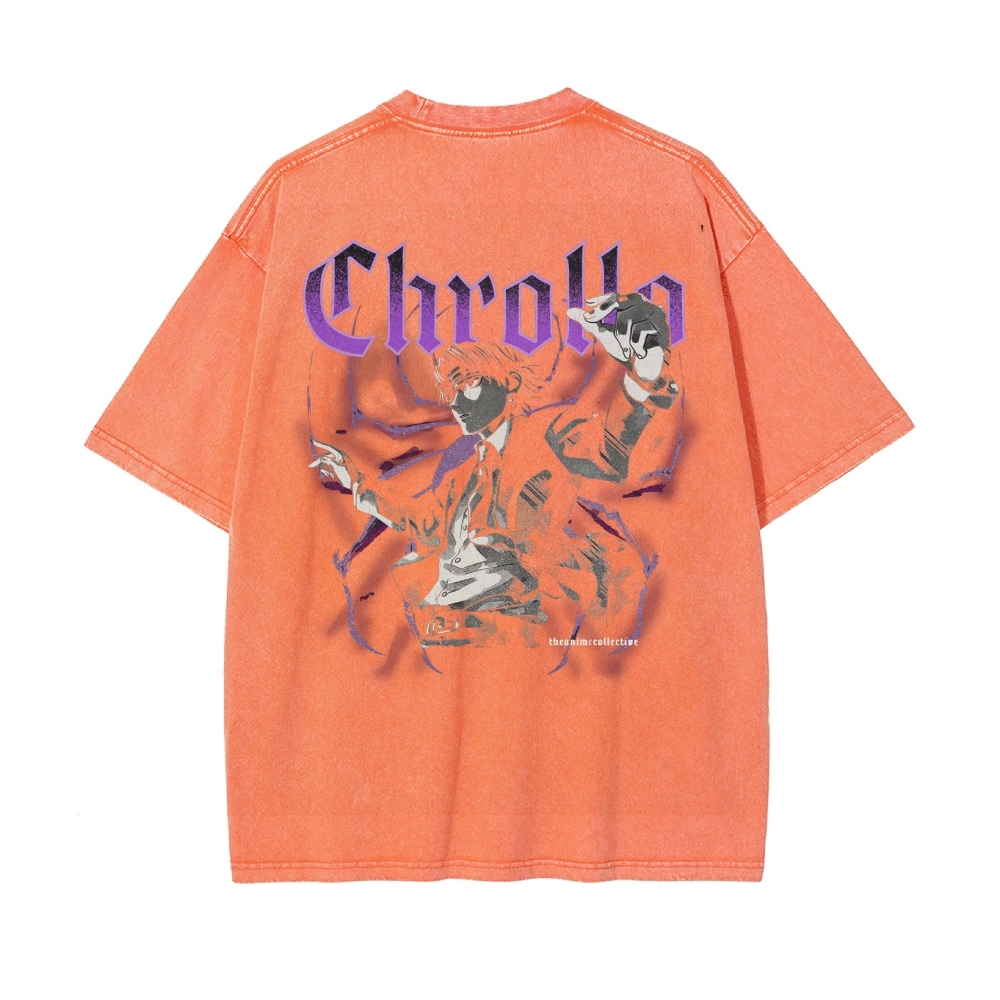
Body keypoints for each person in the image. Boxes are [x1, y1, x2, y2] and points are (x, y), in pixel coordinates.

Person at [310, 294, 681, 652]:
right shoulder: (463, 470)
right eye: (452, 390)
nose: (457, 403)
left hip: (527, 623)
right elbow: (426, 521)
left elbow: (606, 444)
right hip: (450, 623)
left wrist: (643, 375)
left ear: (510, 384)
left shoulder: (547, 434)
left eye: (469, 384)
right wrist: (355, 481)